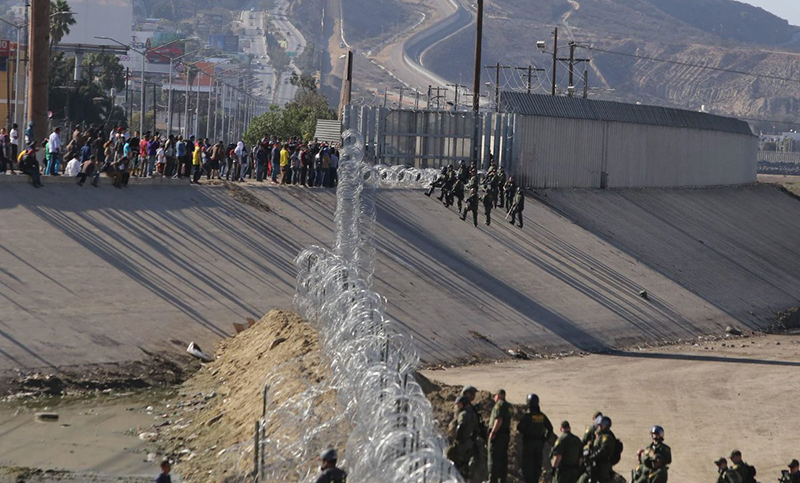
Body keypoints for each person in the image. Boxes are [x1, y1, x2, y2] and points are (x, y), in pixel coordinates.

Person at [517, 394, 553, 483]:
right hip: (539, 444)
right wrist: (544, 439)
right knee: (537, 466)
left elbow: (520, 427)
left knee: (528, 467)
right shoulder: (541, 416)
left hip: (529, 444)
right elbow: (550, 428)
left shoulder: (527, 416)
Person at [577, 416, 617, 483]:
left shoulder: (607, 437)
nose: (599, 427)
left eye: (601, 426)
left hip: (602, 464)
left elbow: (603, 451)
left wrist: (592, 457)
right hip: (596, 464)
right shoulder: (599, 436)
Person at [448, 395, 478, 478]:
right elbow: (476, 429)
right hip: (469, 442)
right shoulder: (472, 414)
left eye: (459, 404)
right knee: (466, 464)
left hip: (462, 443)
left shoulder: (463, 414)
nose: (457, 406)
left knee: (458, 464)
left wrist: (457, 439)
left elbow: (460, 427)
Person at [488, 389, 512, 483]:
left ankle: (492, 479)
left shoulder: (499, 404)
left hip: (498, 435)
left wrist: (493, 432)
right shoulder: (508, 406)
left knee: (493, 458)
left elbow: (499, 419)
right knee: (503, 459)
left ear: (499, 395)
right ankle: (502, 480)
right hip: (505, 435)